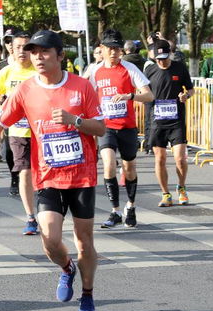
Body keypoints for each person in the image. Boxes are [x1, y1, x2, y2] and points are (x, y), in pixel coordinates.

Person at [0, 30, 105, 311]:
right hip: (47, 177)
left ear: (60, 56)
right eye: (34, 52)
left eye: (44, 52)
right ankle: (67, 268)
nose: (38, 57)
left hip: (81, 177)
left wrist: (76, 121)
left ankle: (87, 295)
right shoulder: (25, 90)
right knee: (49, 238)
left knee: (84, 241)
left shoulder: (82, 87)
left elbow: (101, 128)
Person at [90, 29, 154, 228]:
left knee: (129, 169)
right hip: (106, 127)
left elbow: (149, 95)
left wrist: (130, 96)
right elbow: (87, 95)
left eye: (118, 50)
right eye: (111, 49)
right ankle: (115, 211)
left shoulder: (130, 69)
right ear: (102, 49)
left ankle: (131, 206)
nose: (115, 53)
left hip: (127, 126)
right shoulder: (94, 71)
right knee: (108, 163)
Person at [0, 31, 38, 235]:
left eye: (26, 47)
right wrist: (3, 111)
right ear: (12, 48)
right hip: (18, 131)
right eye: (17, 47)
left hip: (43, 131)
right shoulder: (7, 72)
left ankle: (50, 208)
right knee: (25, 172)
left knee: (44, 174)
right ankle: (31, 217)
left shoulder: (40, 70)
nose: (21, 51)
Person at [145, 39, 194, 207]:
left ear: (170, 54)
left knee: (180, 158)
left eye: (164, 58)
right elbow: (143, 92)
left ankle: (181, 188)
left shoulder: (180, 67)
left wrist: (186, 96)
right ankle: (165, 194)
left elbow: (191, 89)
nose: (161, 61)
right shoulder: (150, 71)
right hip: (157, 121)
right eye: (158, 59)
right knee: (160, 159)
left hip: (176, 121)